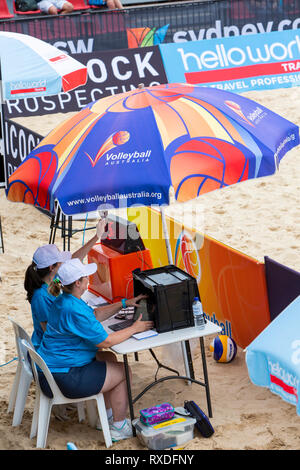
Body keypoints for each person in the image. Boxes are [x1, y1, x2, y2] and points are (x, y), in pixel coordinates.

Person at [37, 257, 154, 441]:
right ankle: (119, 426)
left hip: (53, 370)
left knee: (109, 358)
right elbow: (106, 341)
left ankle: (107, 417)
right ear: (78, 283)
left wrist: (124, 303)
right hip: (64, 378)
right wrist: (134, 328)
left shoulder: (64, 299)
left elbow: (95, 314)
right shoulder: (72, 308)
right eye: (85, 277)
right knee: (124, 371)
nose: (88, 279)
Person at [24, 219, 106, 349]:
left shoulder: (53, 279)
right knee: (97, 345)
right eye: (60, 261)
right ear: (52, 267)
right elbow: (48, 331)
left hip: (61, 337)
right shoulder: (41, 296)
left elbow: (75, 259)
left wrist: (97, 236)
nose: (64, 263)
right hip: (49, 346)